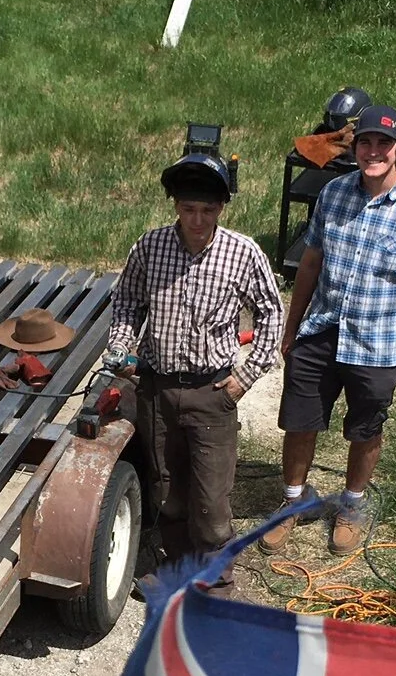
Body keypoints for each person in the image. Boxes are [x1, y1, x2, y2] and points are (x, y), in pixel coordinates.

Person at [264, 104, 396, 556]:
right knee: (299, 420)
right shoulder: (333, 194)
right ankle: (294, 500)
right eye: (365, 142)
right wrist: (293, 327)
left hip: (378, 342)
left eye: (383, 144)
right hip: (321, 329)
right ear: (356, 146)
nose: (373, 151)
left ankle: (352, 504)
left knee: (365, 428)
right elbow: (310, 262)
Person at [105, 152, 284, 586]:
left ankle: (215, 579)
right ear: (175, 206)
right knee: (166, 486)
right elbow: (127, 302)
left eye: (207, 210)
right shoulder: (150, 247)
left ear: (221, 207)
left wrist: (242, 379)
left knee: (210, 497)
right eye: (188, 209)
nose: (198, 220)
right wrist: (121, 348)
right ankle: (176, 565)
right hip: (156, 388)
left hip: (213, 393)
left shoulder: (242, 253)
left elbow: (272, 316)